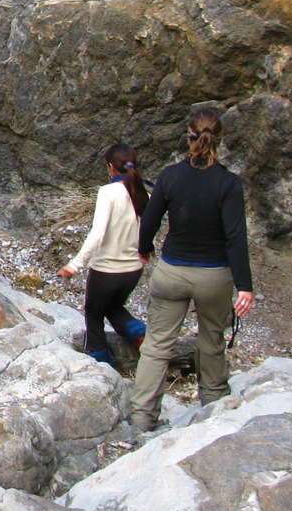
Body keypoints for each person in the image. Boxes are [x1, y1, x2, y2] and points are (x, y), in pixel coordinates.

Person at [129, 108, 255, 431]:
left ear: (189, 138)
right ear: (219, 140)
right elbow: (235, 238)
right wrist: (244, 286)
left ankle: (141, 417)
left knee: (157, 345)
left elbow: (150, 220)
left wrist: (144, 249)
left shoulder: (171, 176)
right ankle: (213, 408)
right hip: (214, 276)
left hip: (172, 271)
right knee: (211, 341)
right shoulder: (229, 184)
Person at [60, 144, 148, 364]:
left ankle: (100, 363)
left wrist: (75, 264)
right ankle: (140, 334)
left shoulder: (108, 192)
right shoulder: (144, 193)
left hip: (106, 270)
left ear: (111, 167)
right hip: (133, 270)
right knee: (113, 307)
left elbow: (97, 233)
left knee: (94, 314)